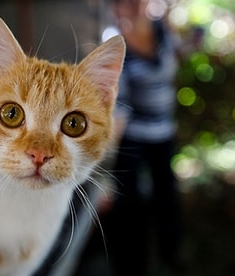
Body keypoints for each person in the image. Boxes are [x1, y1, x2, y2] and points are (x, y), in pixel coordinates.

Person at [75, 0, 183, 275]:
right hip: (133, 137)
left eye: (133, 2)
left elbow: (176, 62)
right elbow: (117, 106)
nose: (128, 7)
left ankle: (172, 257)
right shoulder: (114, 42)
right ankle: (133, 265)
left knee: (167, 196)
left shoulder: (163, 31)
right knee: (129, 205)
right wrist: (105, 163)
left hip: (164, 133)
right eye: (121, 3)